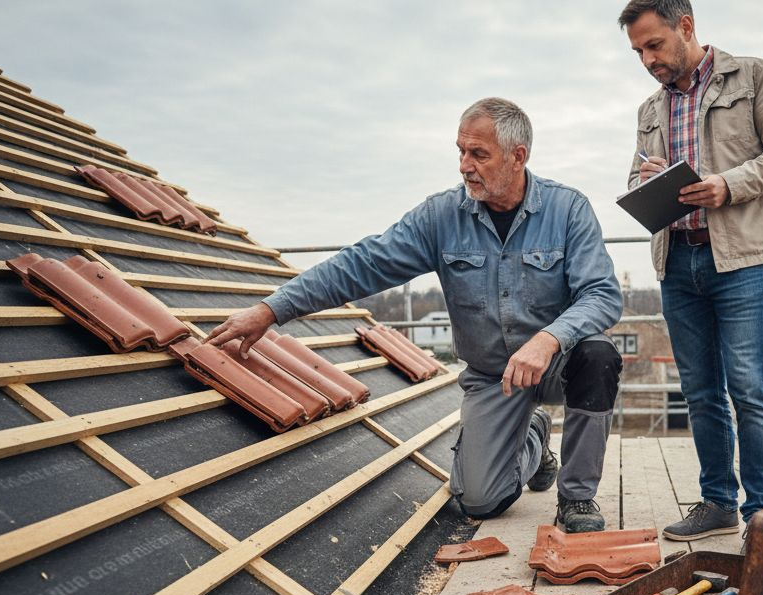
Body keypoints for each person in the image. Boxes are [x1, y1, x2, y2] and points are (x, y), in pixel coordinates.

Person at [207, 98, 623, 533]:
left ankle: (577, 497)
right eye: (460, 151)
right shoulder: (442, 216)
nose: (465, 166)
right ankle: (534, 436)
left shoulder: (568, 210)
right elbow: (362, 264)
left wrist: (548, 339)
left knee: (599, 355)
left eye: (478, 154)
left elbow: (603, 294)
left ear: (518, 156)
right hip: (492, 375)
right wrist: (271, 309)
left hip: (557, 363)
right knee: (479, 502)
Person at [618, 0, 763, 541]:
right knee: (700, 392)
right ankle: (719, 502)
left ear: (686, 25)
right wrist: (646, 181)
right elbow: (637, 175)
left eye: (654, 45)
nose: (648, 60)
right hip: (677, 260)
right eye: (638, 52)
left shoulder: (752, 76)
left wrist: (728, 183)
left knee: (751, 389)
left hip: (741, 258)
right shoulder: (649, 109)